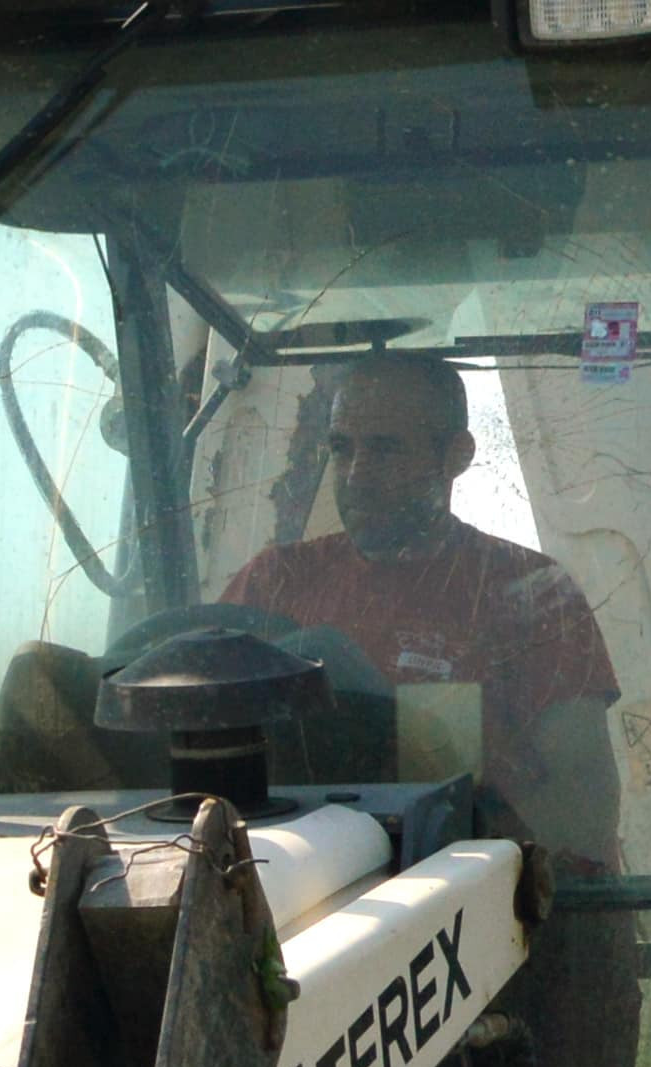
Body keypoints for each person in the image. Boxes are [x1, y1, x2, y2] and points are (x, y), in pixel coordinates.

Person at [213, 351, 622, 863]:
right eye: (343, 448)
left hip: (471, 903)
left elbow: (581, 816)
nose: (357, 475)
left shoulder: (532, 594)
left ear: (457, 456)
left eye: (384, 450)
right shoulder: (274, 582)